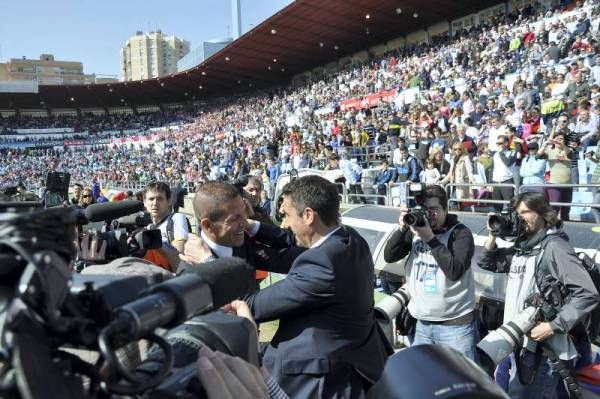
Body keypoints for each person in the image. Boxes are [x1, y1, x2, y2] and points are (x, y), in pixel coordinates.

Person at [242, 176, 391, 398]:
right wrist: (249, 227)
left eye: (287, 216)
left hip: (319, 384)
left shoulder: (322, 266)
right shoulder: (350, 238)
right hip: (353, 366)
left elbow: (253, 306)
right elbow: (290, 240)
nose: (284, 223)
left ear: (309, 215)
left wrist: (208, 261)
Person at [478, 192, 599, 399]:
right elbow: (487, 262)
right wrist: (493, 235)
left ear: (544, 214)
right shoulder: (524, 247)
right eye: (517, 213)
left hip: (543, 353)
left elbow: (588, 293)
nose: (519, 217)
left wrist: (553, 325)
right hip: (521, 344)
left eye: (525, 212)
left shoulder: (554, 247)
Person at [383, 185, 477, 360]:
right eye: (425, 210)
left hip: (455, 326)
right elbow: (389, 256)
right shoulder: (416, 230)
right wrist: (403, 228)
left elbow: (454, 271)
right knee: (426, 379)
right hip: (422, 324)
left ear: (446, 209)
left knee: (461, 382)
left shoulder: (460, 233)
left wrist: (430, 239)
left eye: (434, 210)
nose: (429, 215)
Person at [143, 181, 190, 271]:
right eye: (151, 199)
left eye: (160, 198)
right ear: (145, 202)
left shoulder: (176, 218)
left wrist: (154, 240)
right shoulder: (148, 227)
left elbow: (179, 259)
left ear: (169, 201)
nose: (155, 203)